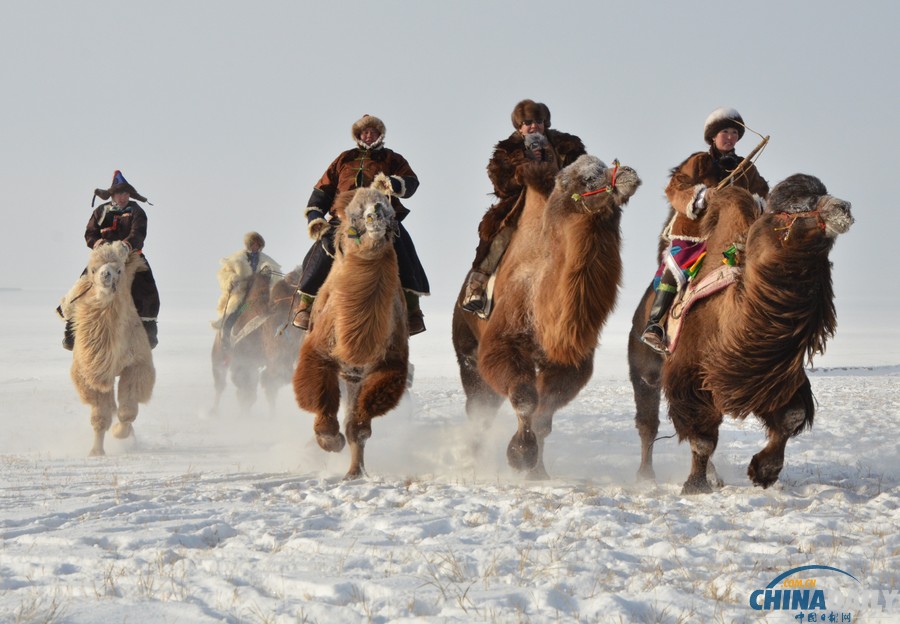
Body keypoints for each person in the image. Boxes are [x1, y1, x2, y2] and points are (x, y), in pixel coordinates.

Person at [639, 106, 769, 354]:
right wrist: (702, 195)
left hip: (733, 236)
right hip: (694, 233)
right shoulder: (699, 161)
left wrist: (754, 204)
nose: (730, 137)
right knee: (677, 265)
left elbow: (764, 195)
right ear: (713, 136)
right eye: (724, 131)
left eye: (734, 132)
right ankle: (654, 324)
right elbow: (675, 188)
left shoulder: (747, 168)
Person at [293, 114, 430, 335]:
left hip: (382, 218)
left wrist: (393, 183)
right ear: (358, 135)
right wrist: (316, 218)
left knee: (405, 251)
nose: (368, 135)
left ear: (380, 135)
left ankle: (413, 311)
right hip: (343, 218)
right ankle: (305, 305)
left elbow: (412, 183)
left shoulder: (392, 158)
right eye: (364, 132)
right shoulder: (344, 159)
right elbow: (322, 190)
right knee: (320, 251)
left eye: (373, 131)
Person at [460, 99, 586, 313]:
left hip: (562, 204)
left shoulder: (567, 146)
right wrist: (524, 172)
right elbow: (500, 183)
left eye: (538, 120)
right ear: (519, 126)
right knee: (497, 235)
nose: (534, 125)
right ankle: (477, 286)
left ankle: (585, 290)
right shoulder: (507, 150)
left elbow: (582, 172)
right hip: (521, 204)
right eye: (527, 122)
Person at [62, 170, 160, 350]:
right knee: (81, 286)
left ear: (129, 194)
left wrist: (126, 246)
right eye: (119, 193)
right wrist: (98, 243)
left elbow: (138, 233)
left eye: (125, 193)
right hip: (103, 257)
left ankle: (149, 328)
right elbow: (90, 233)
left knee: (147, 287)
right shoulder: (101, 211)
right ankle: (71, 329)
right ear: (113, 194)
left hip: (130, 256)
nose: (122, 197)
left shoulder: (137, 211)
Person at [212, 231, 281, 330]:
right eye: (253, 244)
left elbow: (276, 277)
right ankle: (226, 335)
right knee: (235, 312)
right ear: (249, 245)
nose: (255, 246)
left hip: (261, 293)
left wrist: (268, 274)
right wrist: (232, 279)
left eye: (258, 244)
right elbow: (224, 274)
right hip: (244, 293)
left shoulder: (267, 261)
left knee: (275, 312)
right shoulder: (237, 259)